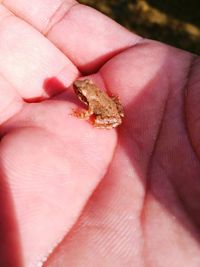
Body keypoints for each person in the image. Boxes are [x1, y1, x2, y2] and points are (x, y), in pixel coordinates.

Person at [0, 1, 200, 266]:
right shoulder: (90, 91)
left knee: (102, 117)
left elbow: (88, 111)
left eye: (81, 91)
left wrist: (86, 115)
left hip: (107, 113)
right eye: (81, 90)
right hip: (111, 106)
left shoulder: (88, 100)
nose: (79, 91)